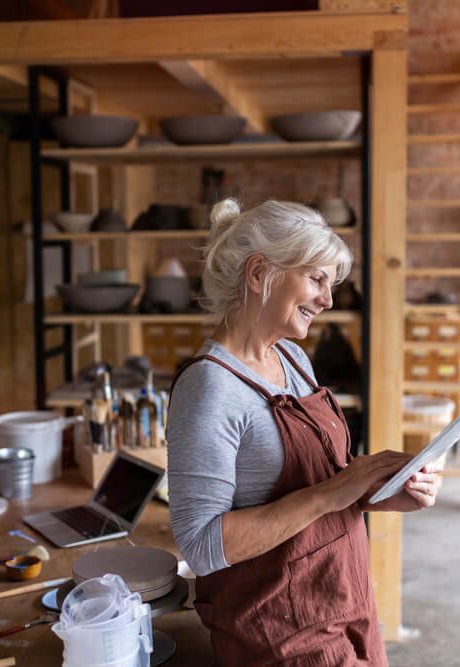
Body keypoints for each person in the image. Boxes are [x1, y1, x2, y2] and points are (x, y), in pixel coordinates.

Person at [167, 198, 444, 666]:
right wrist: (334, 493)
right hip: (276, 630)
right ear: (259, 274)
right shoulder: (209, 387)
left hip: (340, 596)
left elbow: (326, 483)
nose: (328, 300)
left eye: (330, 283)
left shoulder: (293, 359)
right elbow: (201, 545)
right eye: (316, 279)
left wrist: (386, 491)